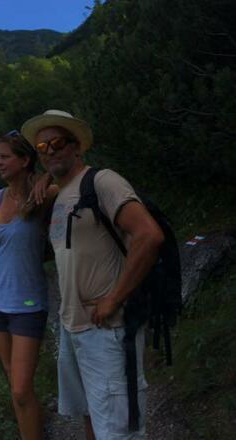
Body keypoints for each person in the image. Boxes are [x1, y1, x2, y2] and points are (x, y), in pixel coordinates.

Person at [22, 110, 165, 440]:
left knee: (119, 431)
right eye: (43, 146)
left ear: (77, 147)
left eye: (57, 142)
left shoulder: (102, 182)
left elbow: (149, 235)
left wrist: (114, 298)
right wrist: (45, 182)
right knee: (90, 418)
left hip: (109, 330)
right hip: (73, 329)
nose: (50, 150)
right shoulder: (60, 196)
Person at [0, 130, 51, 440]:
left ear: (24, 160)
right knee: (14, 385)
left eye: (5, 156)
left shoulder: (43, 195)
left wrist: (47, 178)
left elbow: (70, 180)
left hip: (27, 304)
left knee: (21, 388)